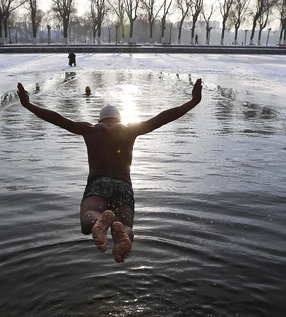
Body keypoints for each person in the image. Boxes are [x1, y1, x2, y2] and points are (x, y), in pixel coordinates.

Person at [16, 78, 203, 263]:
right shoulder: (130, 130)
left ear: (100, 119)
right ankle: (123, 234)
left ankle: (98, 222)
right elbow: (162, 118)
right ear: (119, 119)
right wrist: (192, 102)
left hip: (99, 182)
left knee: (88, 216)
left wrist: (29, 105)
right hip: (124, 184)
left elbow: (58, 119)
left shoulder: (90, 129)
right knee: (126, 224)